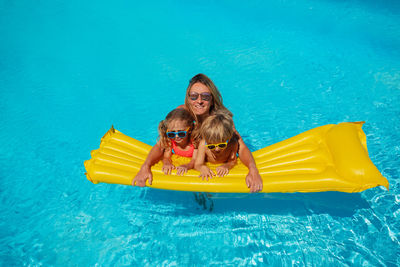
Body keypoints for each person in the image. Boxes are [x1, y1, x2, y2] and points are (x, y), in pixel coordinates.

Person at [133, 73, 263, 193]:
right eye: (194, 96)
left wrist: (253, 170)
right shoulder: (182, 113)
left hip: (212, 161)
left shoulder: (220, 119)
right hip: (195, 162)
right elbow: (162, 143)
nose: (199, 101)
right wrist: (146, 166)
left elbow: (241, 146)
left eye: (205, 97)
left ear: (212, 99)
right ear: (188, 97)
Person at [194, 110, 239, 179]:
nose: (217, 149)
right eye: (211, 146)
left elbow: (232, 161)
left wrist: (226, 166)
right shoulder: (203, 144)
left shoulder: (232, 144)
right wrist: (202, 167)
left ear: (229, 139)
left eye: (222, 145)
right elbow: (197, 164)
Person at [158, 108, 197, 175]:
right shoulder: (170, 140)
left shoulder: (195, 141)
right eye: (172, 133)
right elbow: (166, 157)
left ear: (190, 129)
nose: (176, 136)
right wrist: (167, 163)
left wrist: (187, 166)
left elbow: (195, 160)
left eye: (181, 133)